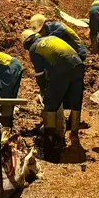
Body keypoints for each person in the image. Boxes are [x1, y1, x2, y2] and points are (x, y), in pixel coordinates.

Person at [21, 29, 85, 161]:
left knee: (50, 104)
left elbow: (40, 74)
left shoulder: (34, 48)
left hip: (63, 68)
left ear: (26, 44)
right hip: (78, 65)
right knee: (75, 102)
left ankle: (50, 141)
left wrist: (43, 92)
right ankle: (74, 137)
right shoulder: (50, 39)